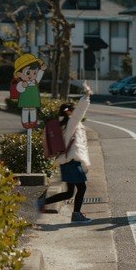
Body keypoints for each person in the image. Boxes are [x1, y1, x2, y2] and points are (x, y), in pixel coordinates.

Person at [37, 81, 93, 223]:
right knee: (81, 188)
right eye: (73, 111)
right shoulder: (70, 123)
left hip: (66, 162)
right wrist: (86, 94)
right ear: (68, 112)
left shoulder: (62, 125)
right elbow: (81, 110)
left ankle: (41, 203)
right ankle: (76, 215)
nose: (76, 113)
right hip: (72, 162)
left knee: (69, 192)